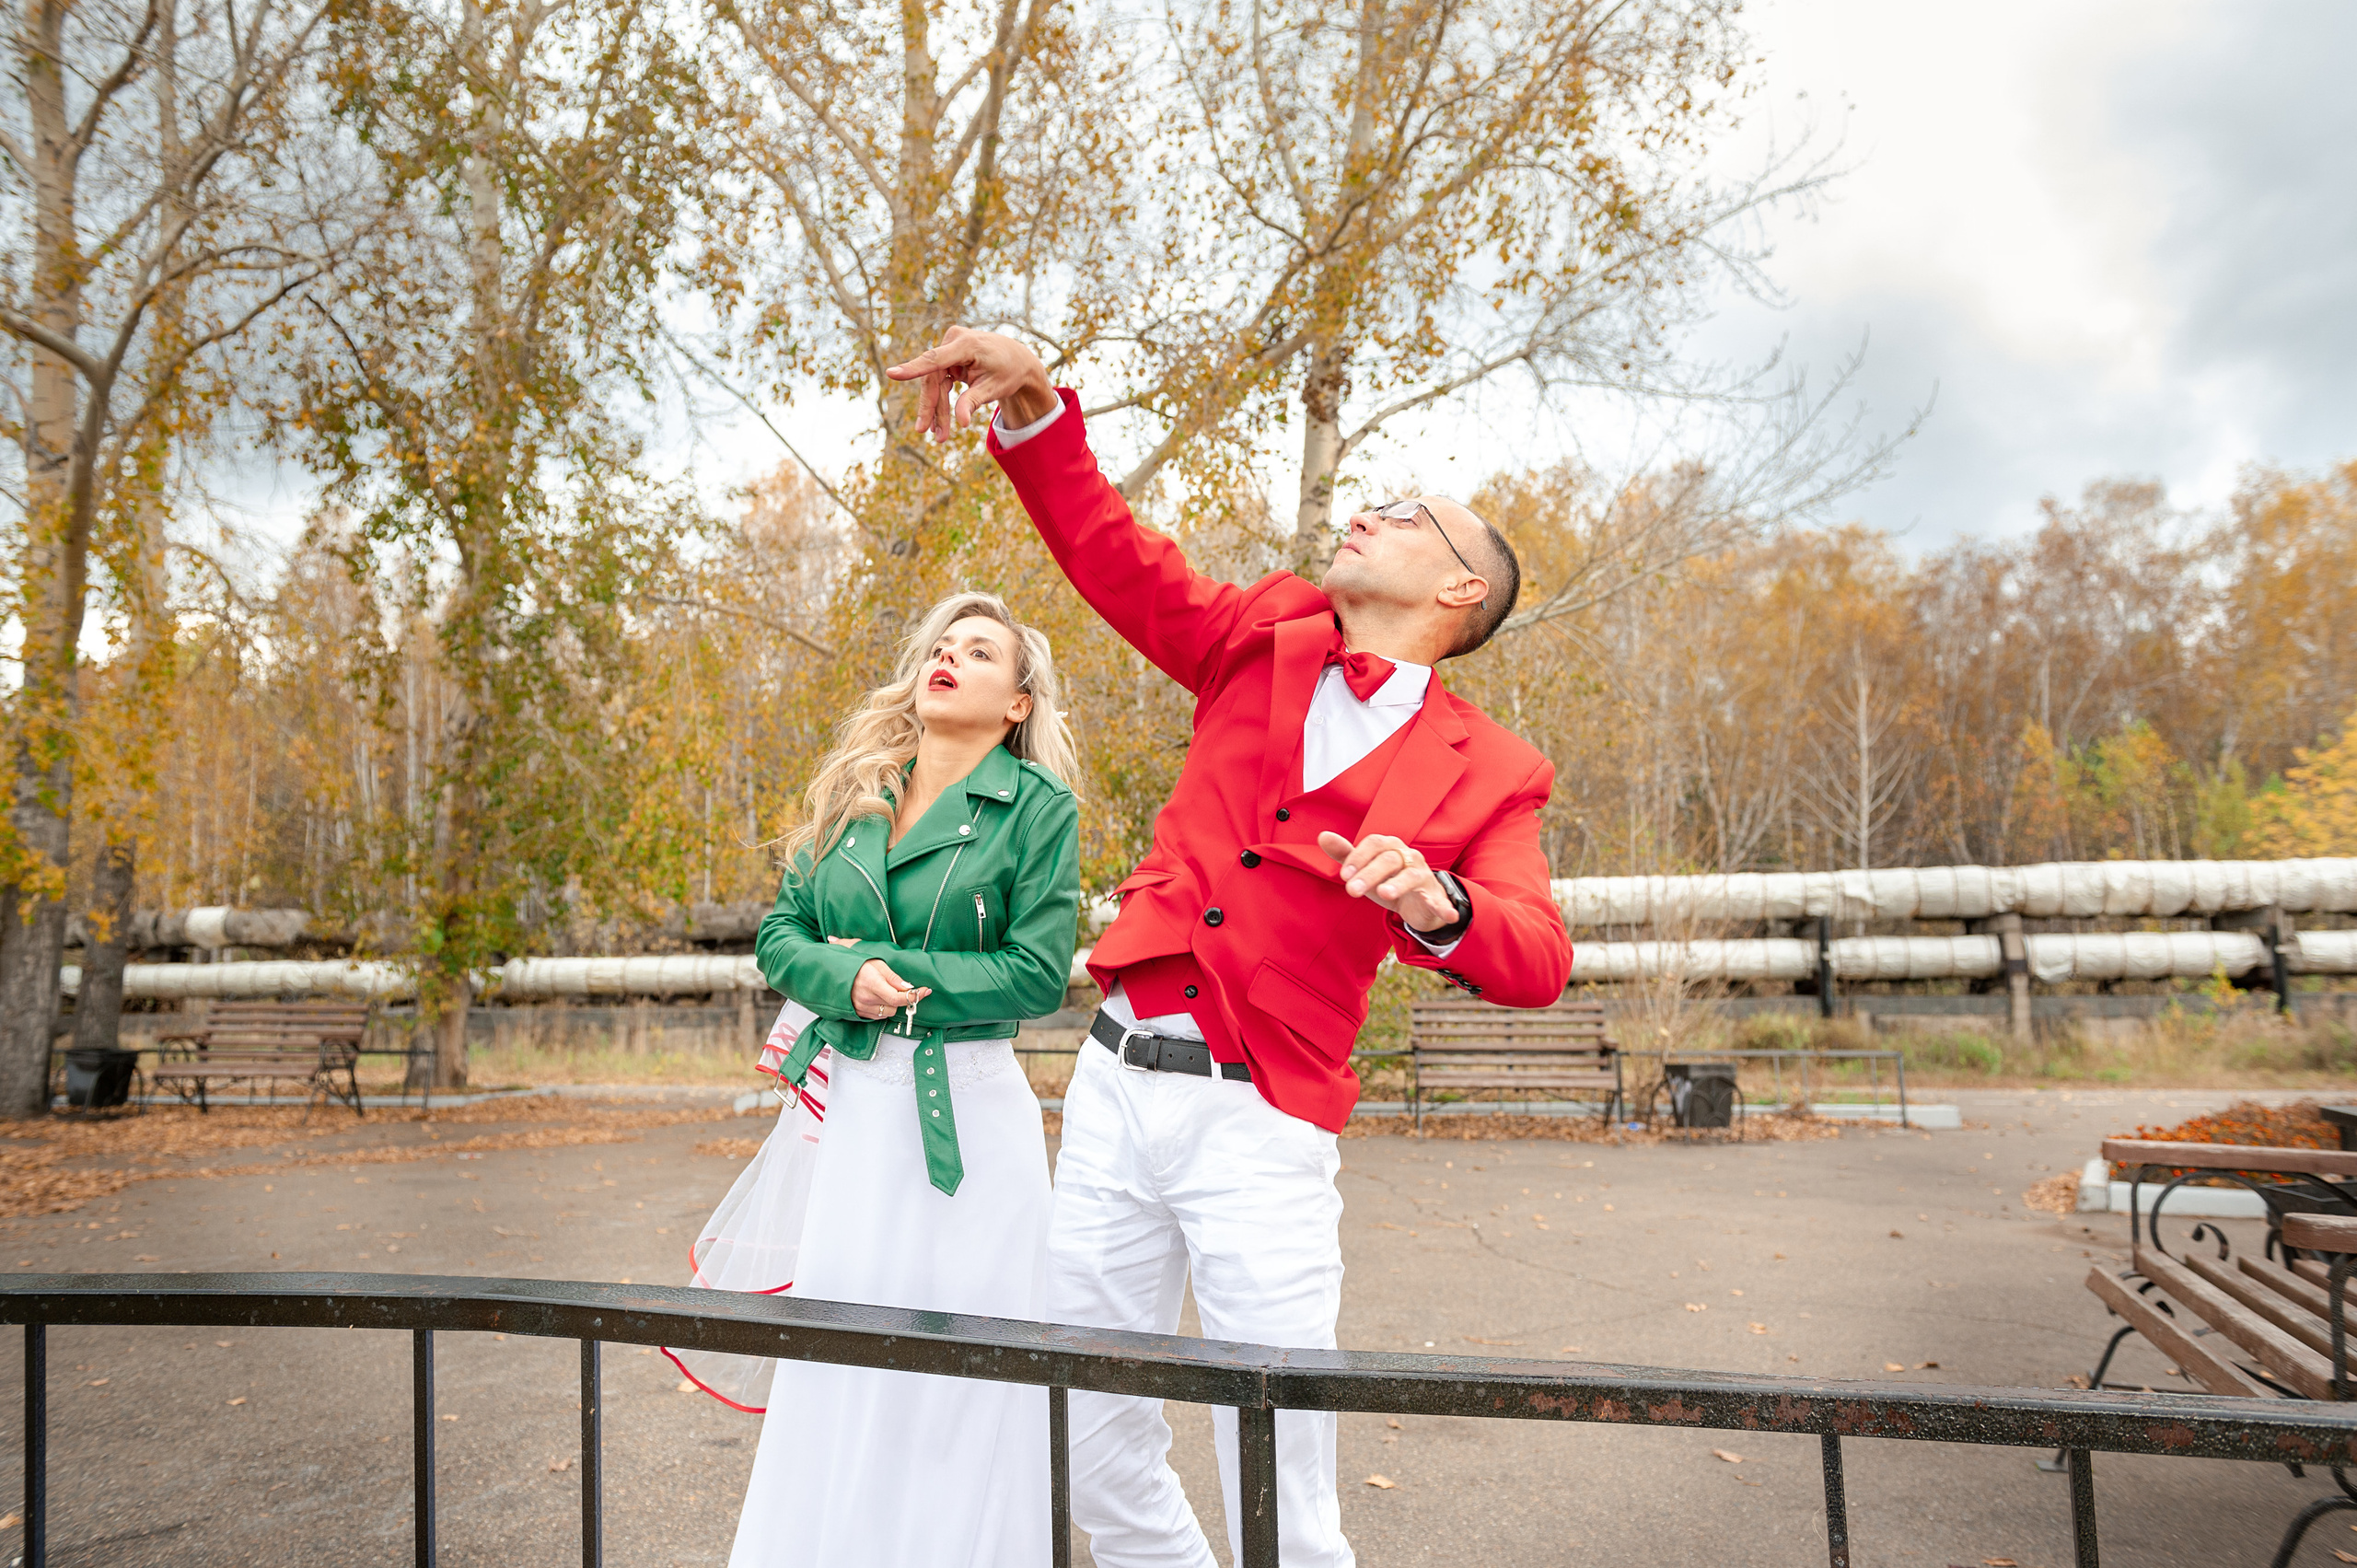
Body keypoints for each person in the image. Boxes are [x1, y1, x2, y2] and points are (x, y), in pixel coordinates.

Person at [886, 330, 1575, 1568]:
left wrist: (1436, 899)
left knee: (1283, 1476)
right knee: (1091, 1443)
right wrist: (1038, 408)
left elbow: (1535, 951)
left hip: (1263, 1121)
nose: (1371, 509)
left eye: (1410, 514)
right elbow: (1116, 557)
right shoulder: (1261, 633)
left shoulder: (1496, 770)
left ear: (1461, 590)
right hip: (1111, 1089)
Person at [695, 589, 1083, 1568]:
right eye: (939, 645)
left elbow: (1038, 972)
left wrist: (896, 978)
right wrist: (842, 974)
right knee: (842, 1343)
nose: (946, 657)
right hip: (858, 1111)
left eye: (979, 651)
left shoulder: (1037, 809)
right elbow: (780, 935)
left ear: (1018, 705)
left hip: (971, 1118)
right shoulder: (853, 792)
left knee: (967, 1360)